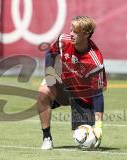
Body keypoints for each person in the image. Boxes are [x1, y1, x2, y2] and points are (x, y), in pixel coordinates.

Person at [37, 16, 107, 150]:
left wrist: (98, 126)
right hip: (64, 87)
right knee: (42, 92)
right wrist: (50, 76)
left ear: (86, 34)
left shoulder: (95, 60)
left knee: (85, 140)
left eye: (75, 31)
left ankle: (90, 130)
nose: (71, 34)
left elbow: (98, 94)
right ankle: (47, 138)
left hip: (82, 97)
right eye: (71, 30)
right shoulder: (64, 40)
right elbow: (49, 54)